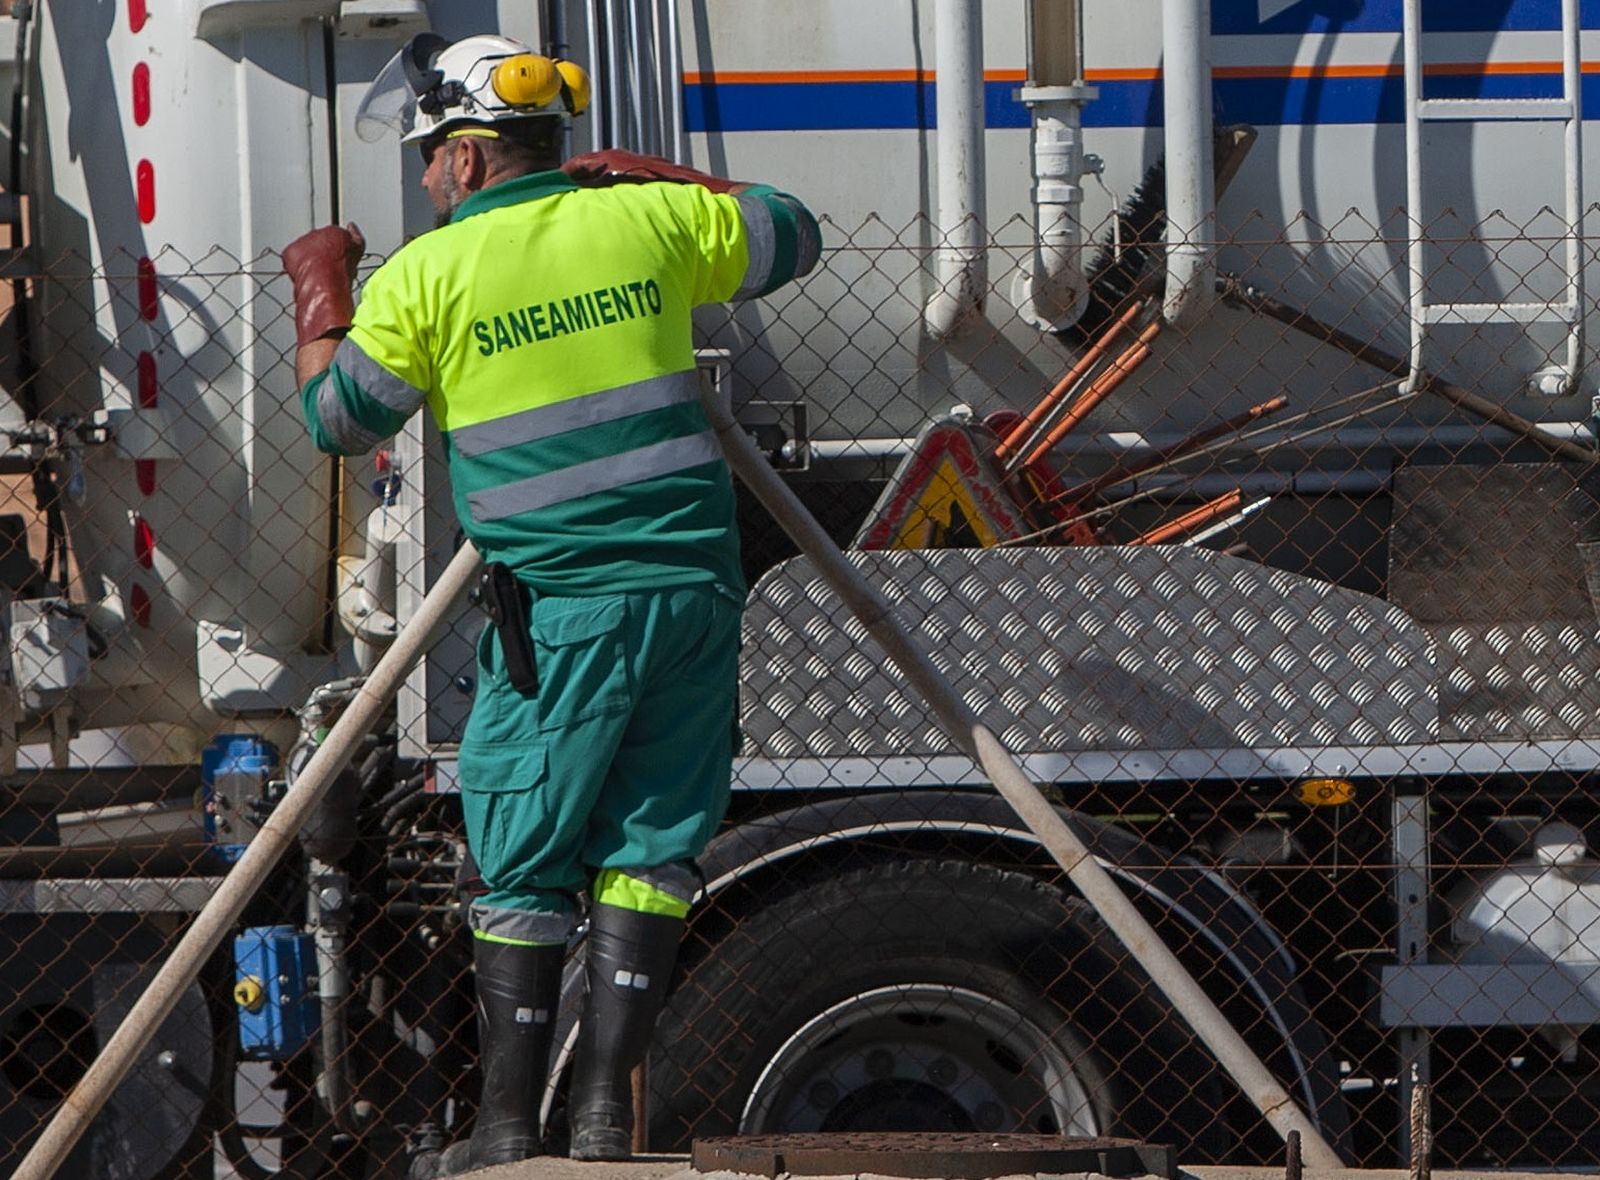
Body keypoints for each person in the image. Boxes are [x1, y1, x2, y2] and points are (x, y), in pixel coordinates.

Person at [280, 31, 819, 1178]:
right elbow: (792, 232)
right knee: (649, 846)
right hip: (692, 595)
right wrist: (676, 181)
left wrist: (319, 291)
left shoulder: (429, 274)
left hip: (564, 609)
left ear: (472, 160)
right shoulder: (647, 225)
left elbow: (338, 419)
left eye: (433, 154)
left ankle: (510, 1132)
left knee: (521, 863)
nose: (425, 176)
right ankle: (606, 1127)